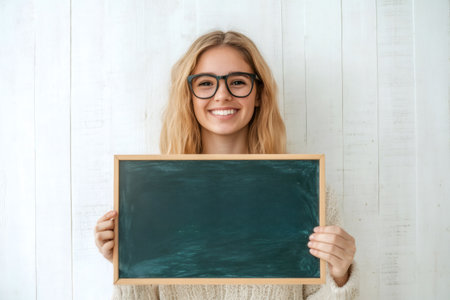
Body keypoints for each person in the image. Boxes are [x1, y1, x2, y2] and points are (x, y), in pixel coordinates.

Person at [94, 30, 359, 299]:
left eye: (238, 82)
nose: (222, 95)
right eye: (206, 83)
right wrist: (126, 263)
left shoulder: (309, 193)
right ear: (189, 97)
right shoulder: (149, 194)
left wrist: (341, 274)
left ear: (258, 94)